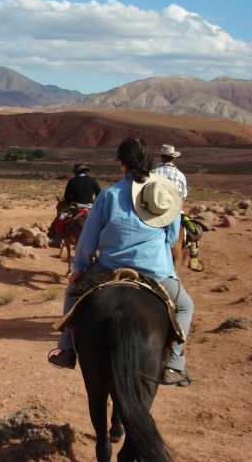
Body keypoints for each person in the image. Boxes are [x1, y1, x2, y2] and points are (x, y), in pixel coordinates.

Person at [48, 137, 194, 386]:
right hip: (156, 270)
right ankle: (174, 364)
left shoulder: (109, 195)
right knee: (184, 307)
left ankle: (67, 350)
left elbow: (89, 237)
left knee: (73, 292)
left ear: (121, 163)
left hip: (109, 266)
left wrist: (79, 268)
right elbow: (171, 238)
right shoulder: (163, 192)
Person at [152, 144, 202, 271]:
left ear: (161, 157)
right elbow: (184, 196)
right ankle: (194, 257)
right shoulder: (180, 175)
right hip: (174, 213)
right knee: (194, 229)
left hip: (152, 213)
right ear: (173, 158)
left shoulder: (152, 173)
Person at [49, 163, 101, 246]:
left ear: (76, 172)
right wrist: (94, 202)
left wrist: (70, 201)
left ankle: (56, 240)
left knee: (59, 219)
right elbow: (100, 194)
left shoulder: (72, 181)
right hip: (91, 208)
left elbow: (67, 197)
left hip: (76, 208)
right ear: (85, 171)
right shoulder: (93, 180)